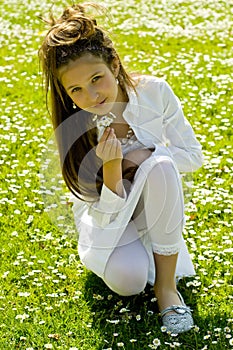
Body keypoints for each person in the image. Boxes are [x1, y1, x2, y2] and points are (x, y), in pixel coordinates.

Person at [39, 2, 203, 334]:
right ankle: (141, 264)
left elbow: (191, 156)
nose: (91, 94)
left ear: (114, 64)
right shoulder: (77, 127)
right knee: (128, 281)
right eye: (76, 90)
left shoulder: (154, 92)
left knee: (159, 166)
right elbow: (97, 212)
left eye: (96, 78)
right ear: (67, 95)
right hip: (109, 220)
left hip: (157, 204)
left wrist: (141, 158)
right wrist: (111, 169)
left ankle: (167, 288)